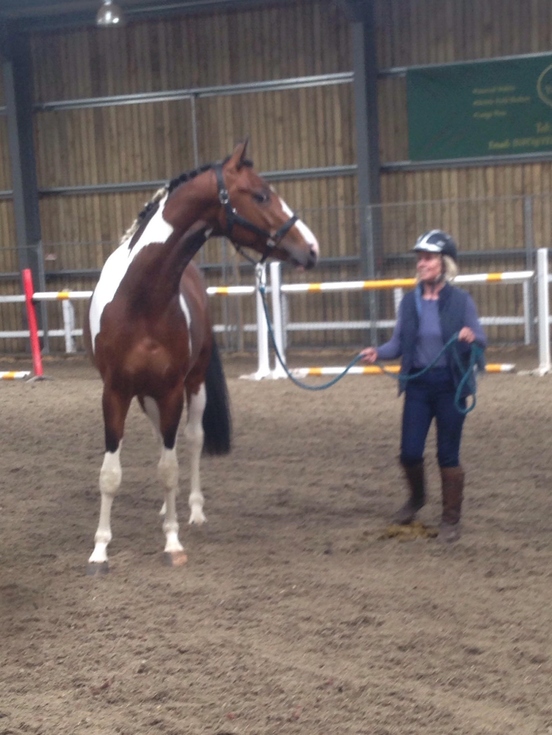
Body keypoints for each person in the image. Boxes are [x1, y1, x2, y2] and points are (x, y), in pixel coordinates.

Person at [360, 230, 487, 543]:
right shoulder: (409, 302)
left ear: (444, 263)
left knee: (447, 454)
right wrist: (378, 352)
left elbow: (481, 339)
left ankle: (450, 519)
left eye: (428, 258)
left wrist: (470, 338)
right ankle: (417, 498)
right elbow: (397, 343)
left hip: (450, 386)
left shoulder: (461, 301)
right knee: (409, 452)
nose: (421, 263)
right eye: (419, 258)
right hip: (417, 384)